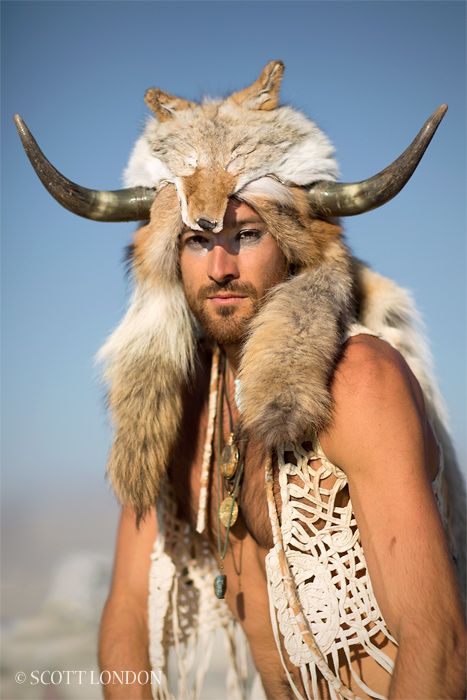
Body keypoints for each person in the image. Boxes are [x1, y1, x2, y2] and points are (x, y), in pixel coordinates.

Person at [15, 61, 466, 700]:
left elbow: (439, 646)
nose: (221, 266)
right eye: (198, 241)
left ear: (292, 243)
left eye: (247, 234)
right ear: (171, 258)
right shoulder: (179, 409)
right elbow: (126, 608)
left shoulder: (360, 382)